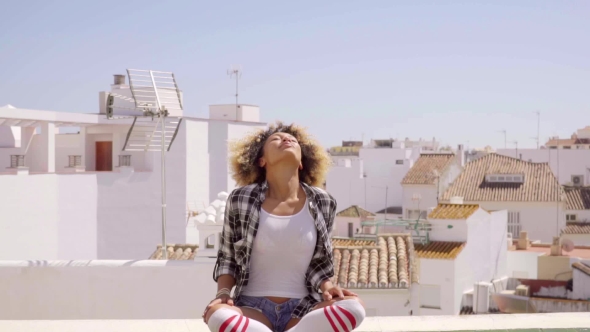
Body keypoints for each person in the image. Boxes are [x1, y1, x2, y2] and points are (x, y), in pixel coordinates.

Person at [203, 122, 366, 332]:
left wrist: (329, 288)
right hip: (252, 308)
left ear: (301, 163)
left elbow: (320, 262)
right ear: (261, 160)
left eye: (293, 140)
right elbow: (228, 257)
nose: (287, 140)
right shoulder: (241, 198)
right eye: (276, 139)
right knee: (217, 315)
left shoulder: (323, 201)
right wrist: (223, 293)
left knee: (355, 307)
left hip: (303, 309)